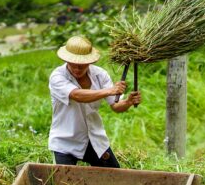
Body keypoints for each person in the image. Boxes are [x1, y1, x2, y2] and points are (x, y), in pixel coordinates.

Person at [48, 36, 141, 168]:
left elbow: (116, 106)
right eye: (73, 65)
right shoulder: (57, 76)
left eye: (82, 66)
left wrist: (128, 102)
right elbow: (77, 95)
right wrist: (109, 90)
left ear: (89, 62)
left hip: (94, 139)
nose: (77, 69)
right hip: (65, 141)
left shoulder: (100, 75)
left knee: (114, 177)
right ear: (66, 60)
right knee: (65, 184)